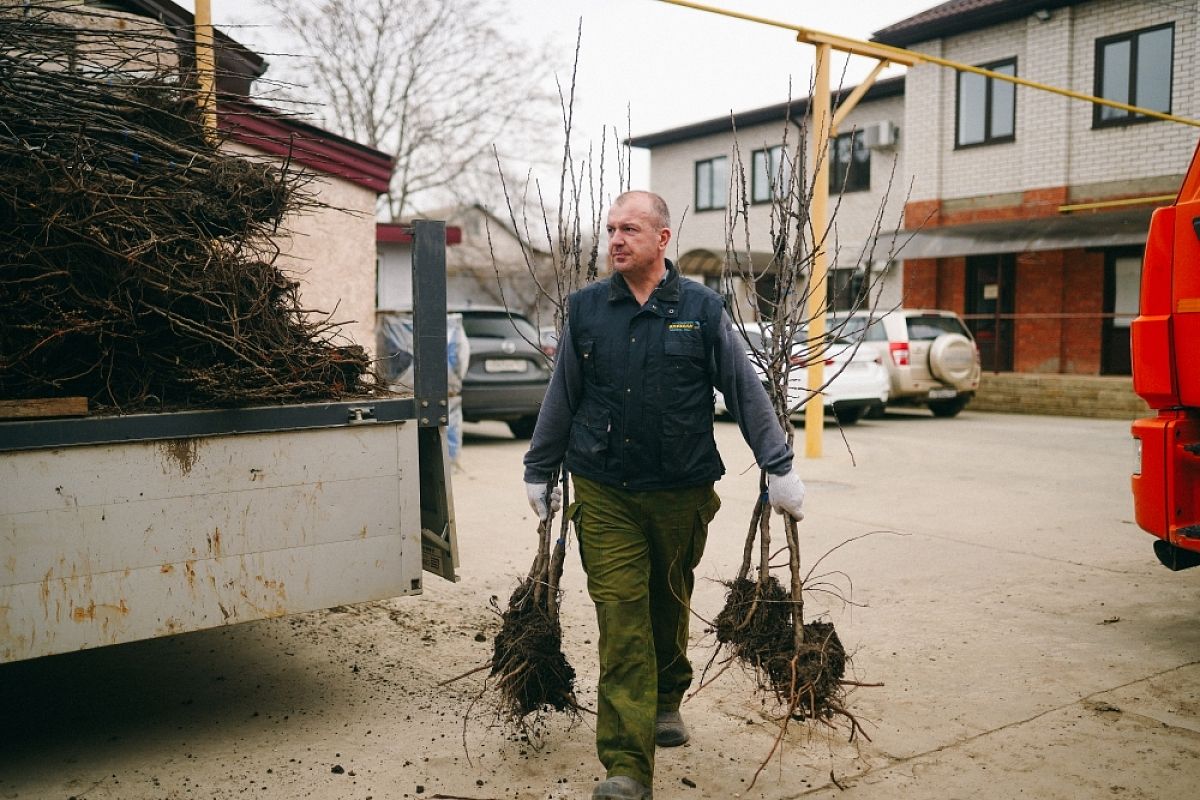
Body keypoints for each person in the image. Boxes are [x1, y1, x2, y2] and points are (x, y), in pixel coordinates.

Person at [522, 190, 805, 800]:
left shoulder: (700, 308)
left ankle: (665, 697)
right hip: (605, 490)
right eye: (610, 230)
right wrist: (539, 468)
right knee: (621, 617)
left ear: (662, 239)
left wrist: (777, 464)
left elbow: (742, 387)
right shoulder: (589, 309)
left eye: (629, 229)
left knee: (666, 601)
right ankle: (626, 765)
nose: (615, 240)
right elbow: (563, 394)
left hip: (681, 490)